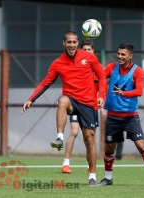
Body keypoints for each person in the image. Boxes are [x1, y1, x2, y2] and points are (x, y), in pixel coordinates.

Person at [21, 31, 106, 186]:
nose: (72, 45)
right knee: (62, 100)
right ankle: (59, 138)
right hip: (71, 101)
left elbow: (101, 76)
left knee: (89, 139)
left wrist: (101, 96)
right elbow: (45, 83)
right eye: (69, 42)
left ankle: (92, 176)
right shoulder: (57, 63)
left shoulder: (89, 57)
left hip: (88, 103)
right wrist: (30, 99)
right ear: (64, 43)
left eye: (74, 42)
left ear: (77, 43)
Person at [98, 43, 144, 187]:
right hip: (113, 116)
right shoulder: (112, 67)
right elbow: (100, 77)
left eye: (123, 54)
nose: (120, 56)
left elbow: (139, 91)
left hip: (130, 116)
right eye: (118, 54)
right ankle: (108, 178)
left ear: (130, 56)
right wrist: (100, 94)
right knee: (109, 147)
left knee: (141, 145)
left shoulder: (138, 71)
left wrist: (123, 93)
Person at [61, 38, 104, 174]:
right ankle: (66, 163)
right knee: (73, 131)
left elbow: (102, 85)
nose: (86, 52)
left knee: (90, 138)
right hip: (76, 104)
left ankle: (90, 167)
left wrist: (101, 100)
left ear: (93, 51)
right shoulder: (77, 64)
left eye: (89, 50)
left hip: (91, 107)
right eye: (84, 50)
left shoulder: (97, 67)